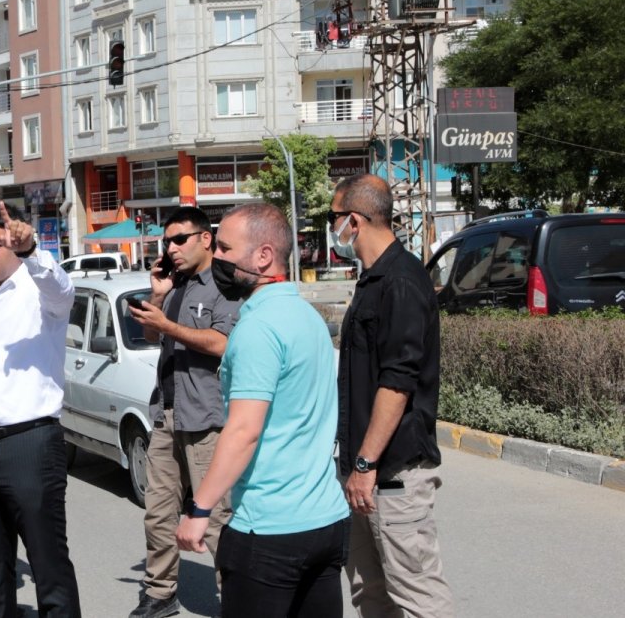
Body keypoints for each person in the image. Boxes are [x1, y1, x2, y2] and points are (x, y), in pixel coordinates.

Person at [176, 204, 349, 617]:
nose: (215, 257)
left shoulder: (257, 328)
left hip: (269, 529)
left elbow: (243, 431)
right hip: (326, 521)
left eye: (224, 248)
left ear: (264, 257)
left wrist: (199, 510)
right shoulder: (308, 317)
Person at [0, 202, 81, 618]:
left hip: (30, 444)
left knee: (48, 565)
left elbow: (62, 289)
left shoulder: (39, 292)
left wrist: (31, 251)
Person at [330, 175, 455, 617]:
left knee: (418, 599)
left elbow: (397, 384)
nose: (333, 231)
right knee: (370, 593)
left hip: (392, 473)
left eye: (333, 219)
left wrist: (365, 464)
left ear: (353, 221)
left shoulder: (400, 281)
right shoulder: (373, 280)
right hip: (364, 475)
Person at [126, 207, 240, 618]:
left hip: (207, 417)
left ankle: (237, 598)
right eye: (166, 241)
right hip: (167, 413)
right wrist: (158, 295)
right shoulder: (174, 287)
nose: (171, 248)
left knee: (215, 518)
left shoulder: (225, 286)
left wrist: (170, 327)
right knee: (157, 513)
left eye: (179, 240)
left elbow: (222, 344)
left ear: (205, 239)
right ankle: (160, 592)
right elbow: (153, 335)